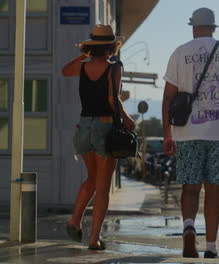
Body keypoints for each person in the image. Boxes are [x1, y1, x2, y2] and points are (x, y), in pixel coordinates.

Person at [162, 8, 219, 259]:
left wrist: (167, 133)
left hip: (186, 132)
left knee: (189, 189)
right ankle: (211, 247)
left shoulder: (179, 53)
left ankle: (189, 226)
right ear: (214, 28)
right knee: (213, 191)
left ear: (193, 28)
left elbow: (168, 98)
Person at [61, 24, 135, 250]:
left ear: (92, 45)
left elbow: (65, 70)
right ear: (112, 46)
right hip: (104, 127)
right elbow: (113, 100)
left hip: (83, 127)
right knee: (102, 187)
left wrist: (86, 53)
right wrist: (128, 119)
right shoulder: (114, 67)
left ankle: (75, 220)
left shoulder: (83, 67)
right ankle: (94, 238)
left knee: (90, 179)